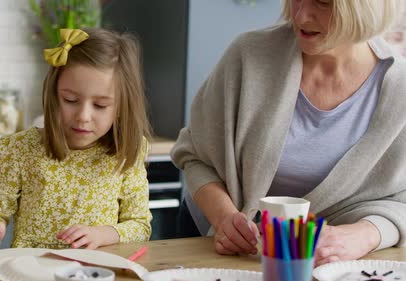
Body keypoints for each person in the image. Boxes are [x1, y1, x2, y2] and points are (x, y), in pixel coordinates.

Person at [171, 0, 406, 266]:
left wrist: (364, 235)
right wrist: (224, 217)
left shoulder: (400, 91)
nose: (301, 15)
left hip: (328, 267)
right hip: (215, 245)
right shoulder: (249, 55)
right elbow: (194, 155)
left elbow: (401, 201)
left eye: (323, 3)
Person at [0, 28, 152, 251]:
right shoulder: (15, 150)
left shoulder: (128, 152)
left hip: (97, 277)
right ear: (54, 95)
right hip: (29, 273)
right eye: (70, 99)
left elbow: (140, 226)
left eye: (100, 105)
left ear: (123, 106)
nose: (83, 116)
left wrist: (103, 234)